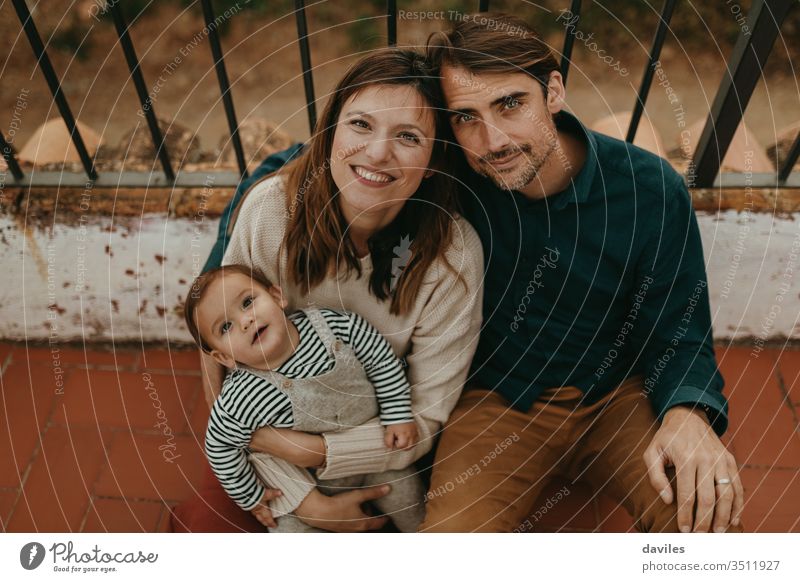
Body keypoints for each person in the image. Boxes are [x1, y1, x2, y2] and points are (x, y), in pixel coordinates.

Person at [417, 13, 743, 533]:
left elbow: (680, 327)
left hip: (619, 395)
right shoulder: (450, 176)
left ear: (553, 91)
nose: (492, 139)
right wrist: (237, 278)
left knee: (708, 525)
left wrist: (689, 412)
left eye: (510, 104)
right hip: (498, 399)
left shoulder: (647, 189)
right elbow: (330, 159)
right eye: (466, 116)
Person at [170, 48, 484, 532]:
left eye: (407, 136)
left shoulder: (453, 257)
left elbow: (422, 419)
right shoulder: (271, 209)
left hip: (381, 451)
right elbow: (224, 369)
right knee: (197, 527)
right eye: (360, 124)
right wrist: (303, 499)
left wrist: (320, 452)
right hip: (272, 457)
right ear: (331, 129)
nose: (377, 153)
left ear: (435, 156)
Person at [183, 264, 424, 532]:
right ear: (224, 357)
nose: (245, 321)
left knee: (409, 498)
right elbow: (219, 445)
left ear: (277, 297)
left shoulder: (333, 327)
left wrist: (397, 413)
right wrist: (250, 496)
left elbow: (381, 360)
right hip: (304, 487)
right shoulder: (241, 397)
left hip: (372, 456)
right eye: (226, 327)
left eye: (248, 302)